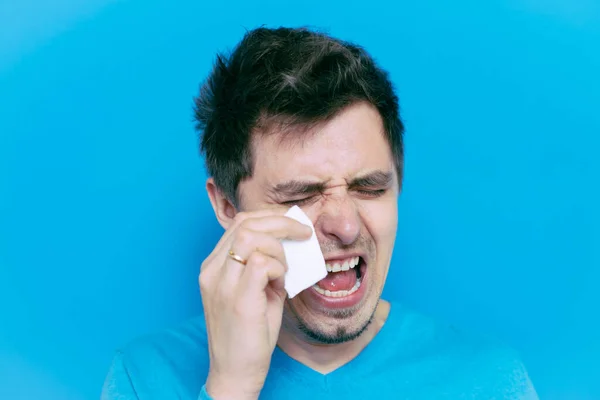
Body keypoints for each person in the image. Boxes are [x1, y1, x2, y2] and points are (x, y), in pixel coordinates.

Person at [101, 26, 538, 399]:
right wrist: (231, 386)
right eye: (301, 196)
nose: (346, 227)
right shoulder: (145, 377)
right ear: (228, 207)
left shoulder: (488, 380)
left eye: (369, 187)